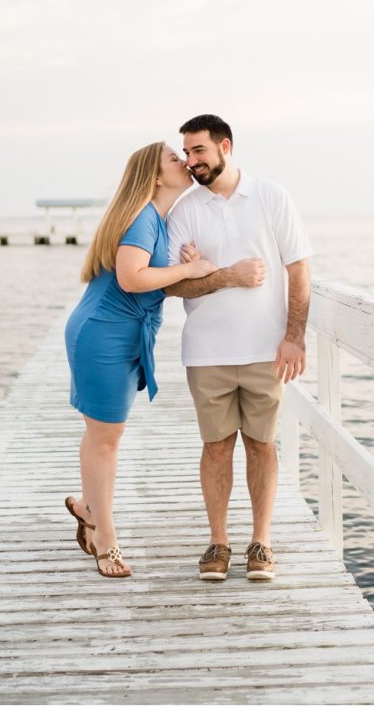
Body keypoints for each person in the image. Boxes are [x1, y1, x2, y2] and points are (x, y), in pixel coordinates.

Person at [165, 114, 313, 582]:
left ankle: (261, 543)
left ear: (224, 146)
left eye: (198, 151)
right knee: (215, 448)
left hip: (265, 350)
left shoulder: (272, 197)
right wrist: (224, 275)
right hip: (206, 352)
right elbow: (171, 288)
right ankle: (218, 542)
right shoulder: (185, 210)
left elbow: (298, 271)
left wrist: (294, 336)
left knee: (262, 445)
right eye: (185, 153)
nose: (190, 162)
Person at [63, 142, 216, 578]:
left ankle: (88, 508)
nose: (185, 162)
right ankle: (104, 539)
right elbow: (132, 278)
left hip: (114, 331)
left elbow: (148, 275)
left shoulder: (154, 217)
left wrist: (187, 263)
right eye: (175, 158)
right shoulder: (143, 215)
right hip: (104, 336)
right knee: (105, 440)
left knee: (101, 436)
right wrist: (189, 271)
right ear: (154, 175)